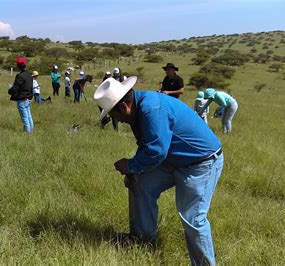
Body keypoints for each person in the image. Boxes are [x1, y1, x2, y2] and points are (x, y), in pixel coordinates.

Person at [94, 77, 224, 265]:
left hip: (200, 163)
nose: (118, 121)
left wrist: (130, 165)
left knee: (193, 218)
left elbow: (157, 151)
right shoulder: (137, 108)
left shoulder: (151, 109)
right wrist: (134, 170)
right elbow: (146, 145)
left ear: (123, 108)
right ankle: (142, 240)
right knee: (139, 181)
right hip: (173, 159)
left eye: (116, 117)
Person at [8, 57, 34, 133]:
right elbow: (30, 88)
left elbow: (15, 88)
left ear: (18, 66)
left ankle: (27, 133)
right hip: (28, 98)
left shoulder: (20, 76)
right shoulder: (29, 75)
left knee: (25, 118)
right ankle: (31, 130)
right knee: (29, 116)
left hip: (22, 99)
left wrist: (10, 90)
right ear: (25, 64)